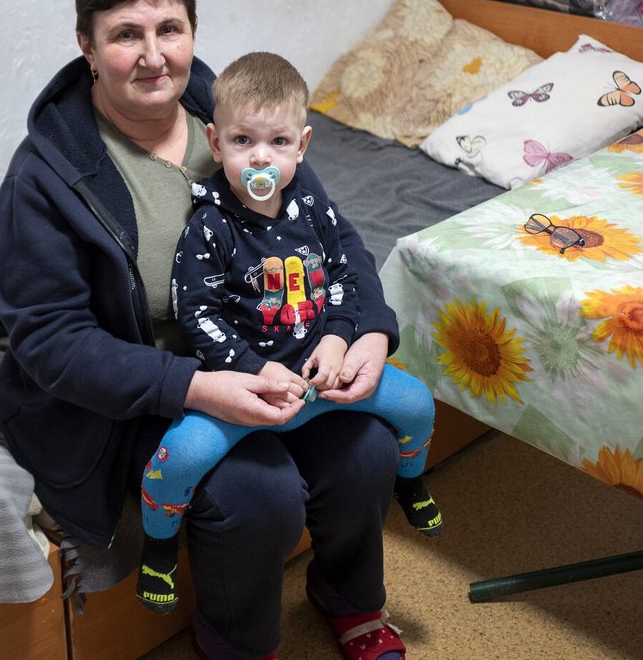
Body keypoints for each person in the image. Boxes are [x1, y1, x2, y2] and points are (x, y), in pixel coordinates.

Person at [0, 0, 415, 660]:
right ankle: (236, 644)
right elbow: (48, 342)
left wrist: (369, 329)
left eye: (170, 28)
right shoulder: (45, 177)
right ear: (86, 47)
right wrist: (195, 386)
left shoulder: (243, 130)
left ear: (193, 30)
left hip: (276, 359)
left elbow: (336, 240)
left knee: (367, 450)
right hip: (142, 392)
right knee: (260, 494)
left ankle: (347, 597)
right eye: (126, 34)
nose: (153, 55)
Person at [136, 52, 441, 616]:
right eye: (243, 141)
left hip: (321, 381)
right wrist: (251, 367)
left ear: (301, 146)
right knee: (179, 456)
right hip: (248, 388)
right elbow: (196, 314)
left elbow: (348, 274)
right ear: (215, 141)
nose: (260, 158)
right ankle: (158, 551)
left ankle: (411, 482)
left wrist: (342, 337)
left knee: (418, 402)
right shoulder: (209, 224)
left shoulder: (311, 207)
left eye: (277, 143)